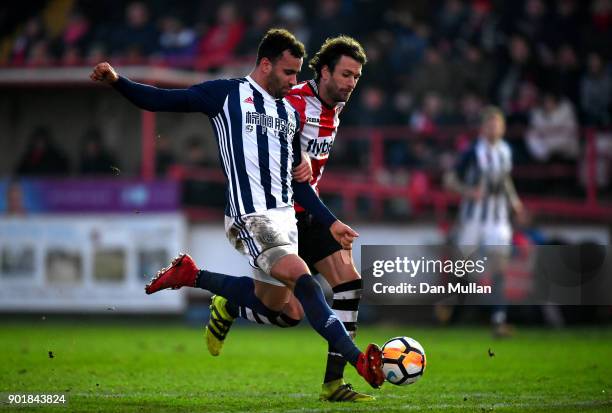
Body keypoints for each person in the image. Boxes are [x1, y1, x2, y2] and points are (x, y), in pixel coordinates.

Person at [90, 28, 384, 390]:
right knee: (305, 281)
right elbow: (162, 100)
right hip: (251, 216)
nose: (295, 81)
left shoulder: (288, 115)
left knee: (286, 311)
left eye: (296, 74)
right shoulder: (227, 94)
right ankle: (354, 364)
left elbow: (297, 183)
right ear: (265, 65)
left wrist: (330, 222)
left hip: (287, 220)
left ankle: (194, 278)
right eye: (289, 73)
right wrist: (118, 81)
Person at [205, 36, 375, 402]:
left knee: (349, 284)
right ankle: (230, 304)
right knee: (286, 312)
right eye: (345, 74)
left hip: (309, 215)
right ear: (324, 71)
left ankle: (335, 383)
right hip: (280, 215)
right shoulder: (291, 101)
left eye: (357, 77)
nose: (351, 83)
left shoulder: (335, 108)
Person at [444, 106, 525, 337]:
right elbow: (449, 179)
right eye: (490, 124)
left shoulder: (505, 152)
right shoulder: (472, 152)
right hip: (472, 221)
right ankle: (455, 313)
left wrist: (515, 202)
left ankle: (499, 320)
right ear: (483, 127)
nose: (494, 128)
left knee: (500, 266)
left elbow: (505, 180)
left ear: (503, 127)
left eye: (498, 124)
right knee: (462, 268)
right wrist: (469, 192)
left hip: (498, 222)